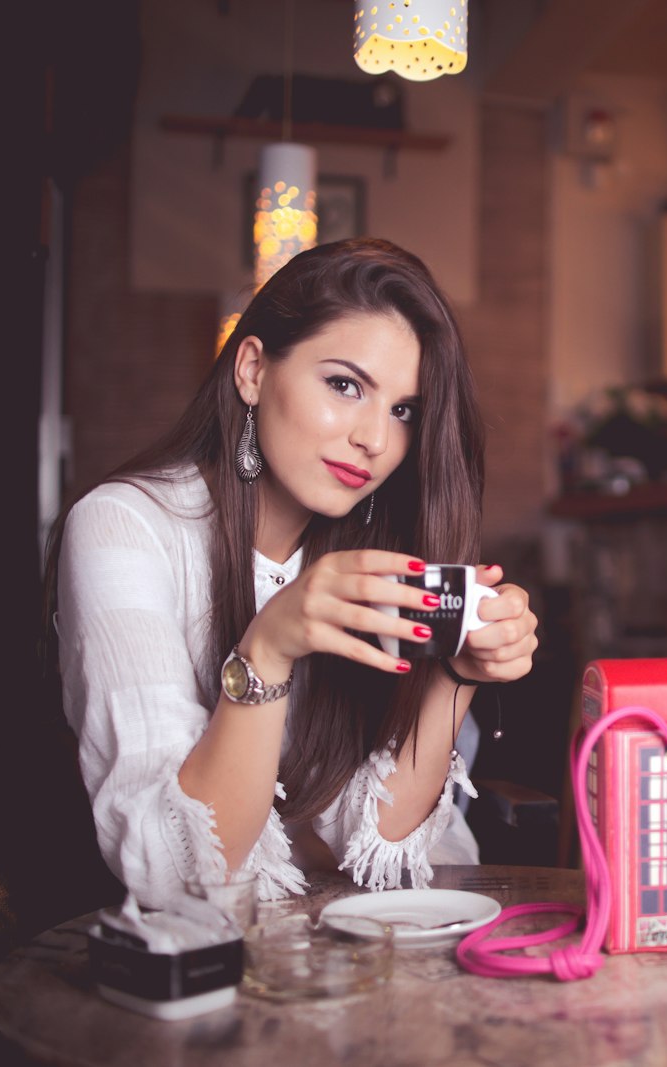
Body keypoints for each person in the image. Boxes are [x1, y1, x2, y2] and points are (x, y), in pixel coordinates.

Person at [44, 237, 539, 908]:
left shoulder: (368, 555)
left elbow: (375, 849)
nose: (375, 439)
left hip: (350, 958)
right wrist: (267, 647)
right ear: (252, 369)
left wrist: (458, 676)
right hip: (192, 973)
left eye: (404, 411)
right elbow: (175, 873)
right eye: (344, 385)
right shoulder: (123, 528)